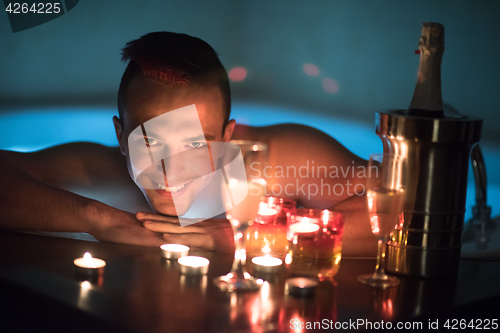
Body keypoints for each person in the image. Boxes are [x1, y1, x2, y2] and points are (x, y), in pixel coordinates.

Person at [0, 32, 375, 256]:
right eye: (150, 141)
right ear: (120, 136)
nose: (170, 167)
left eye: (196, 144)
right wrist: (100, 219)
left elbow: (399, 205)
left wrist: (255, 237)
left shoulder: (271, 160)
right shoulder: (100, 168)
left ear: (228, 138)